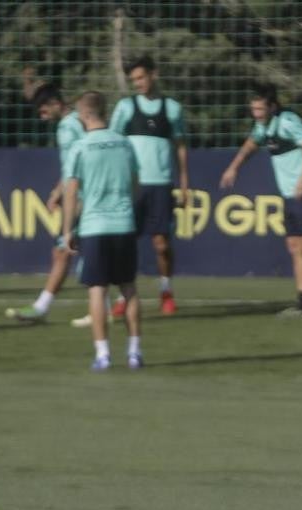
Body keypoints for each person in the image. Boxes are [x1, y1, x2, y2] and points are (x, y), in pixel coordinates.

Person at [220, 86, 302, 320]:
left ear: (272, 106)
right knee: (294, 246)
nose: (256, 113)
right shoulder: (263, 126)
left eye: (260, 108)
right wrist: (234, 167)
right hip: (289, 194)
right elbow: (251, 144)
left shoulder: (288, 121)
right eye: (254, 108)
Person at [3, 83, 93, 327]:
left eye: (43, 110)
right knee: (69, 251)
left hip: (83, 197)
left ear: (55, 103)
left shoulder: (69, 126)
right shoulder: (74, 122)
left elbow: (83, 162)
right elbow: (71, 166)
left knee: (65, 250)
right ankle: (97, 308)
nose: (41, 117)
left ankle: (44, 307)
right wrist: (57, 191)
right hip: (80, 195)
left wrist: (77, 197)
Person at [63, 92, 141, 372]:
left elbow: (71, 191)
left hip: (95, 226)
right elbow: (135, 182)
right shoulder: (125, 143)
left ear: (84, 115)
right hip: (123, 223)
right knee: (129, 288)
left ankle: (103, 354)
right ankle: (134, 352)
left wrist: (68, 229)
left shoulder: (80, 147)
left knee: (97, 289)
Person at [108, 55, 188, 316]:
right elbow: (113, 144)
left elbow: (180, 147)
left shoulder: (172, 109)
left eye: (141, 77)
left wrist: (184, 183)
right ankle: (124, 296)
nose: (138, 83)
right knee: (125, 244)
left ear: (154, 74)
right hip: (133, 188)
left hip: (161, 186)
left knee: (161, 244)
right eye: (134, 80)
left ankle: (166, 290)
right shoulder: (126, 108)